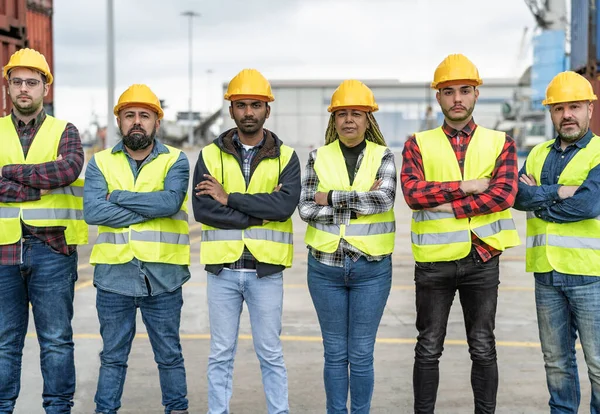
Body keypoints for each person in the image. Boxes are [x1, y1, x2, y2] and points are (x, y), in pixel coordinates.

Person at [400, 53, 520, 414]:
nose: (457, 99)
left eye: (464, 90)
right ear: (438, 97)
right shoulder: (417, 143)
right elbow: (413, 194)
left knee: (483, 346)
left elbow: (503, 195)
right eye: (449, 91)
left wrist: (448, 204)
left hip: (482, 257)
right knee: (428, 347)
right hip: (434, 263)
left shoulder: (502, 142)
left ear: (476, 95)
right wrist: (467, 186)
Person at [192, 68, 301, 414]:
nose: (249, 112)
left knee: (270, 352)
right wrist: (258, 212)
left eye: (256, 105)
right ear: (231, 110)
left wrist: (230, 198)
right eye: (241, 105)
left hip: (265, 272)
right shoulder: (210, 155)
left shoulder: (287, 156)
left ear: (268, 109)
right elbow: (204, 210)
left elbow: (284, 206)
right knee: (220, 353)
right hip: (222, 270)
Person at [83, 84, 190, 414]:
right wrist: (151, 206)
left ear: (157, 121)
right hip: (115, 278)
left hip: (164, 278)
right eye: (129, 115)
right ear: (119, 121)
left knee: (169, 356)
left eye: (145, 115)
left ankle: (177, 409)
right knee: (113, 357)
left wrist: (115, 196)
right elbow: (94, 212)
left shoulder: (177, 160)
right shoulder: (99, 162)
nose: (137, 122)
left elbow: (170, 202)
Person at [298, 79, 396, 414]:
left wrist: (332, 198)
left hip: (371, 268)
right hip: (325, 268)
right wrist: (359, 199)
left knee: (361, 354)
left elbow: (383, 200)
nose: (349, 120)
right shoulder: (317, 157)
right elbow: (307, 210)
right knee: (335, 354)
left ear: (368, 119)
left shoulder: (383, 156)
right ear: (334, 119)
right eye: (342, 114)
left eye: (356, 113)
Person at [0, 48, 86, 414]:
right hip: (3, 252)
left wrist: (8, 172)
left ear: (45, 88)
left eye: (32, 82)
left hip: (52, 249)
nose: (24, 88)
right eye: (17, 81)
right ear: (7, 88)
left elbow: (67, 170)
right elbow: (51, 174)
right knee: (4, 343)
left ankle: (57, 410)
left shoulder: (65, 131)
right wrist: (38, 180)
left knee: (56, 341)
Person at [514, 71, 600, 413]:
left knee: (597, 363)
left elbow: (589, 204)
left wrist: (541, 198)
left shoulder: (598, 153)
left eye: (575, 106)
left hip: (590, 275)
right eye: (559, 108)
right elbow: (517, 196)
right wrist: (558, 193)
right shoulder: (536, 154)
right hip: (546, 275)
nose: (567, 114)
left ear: (589, 110)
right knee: (556, 363)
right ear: (550, 113)